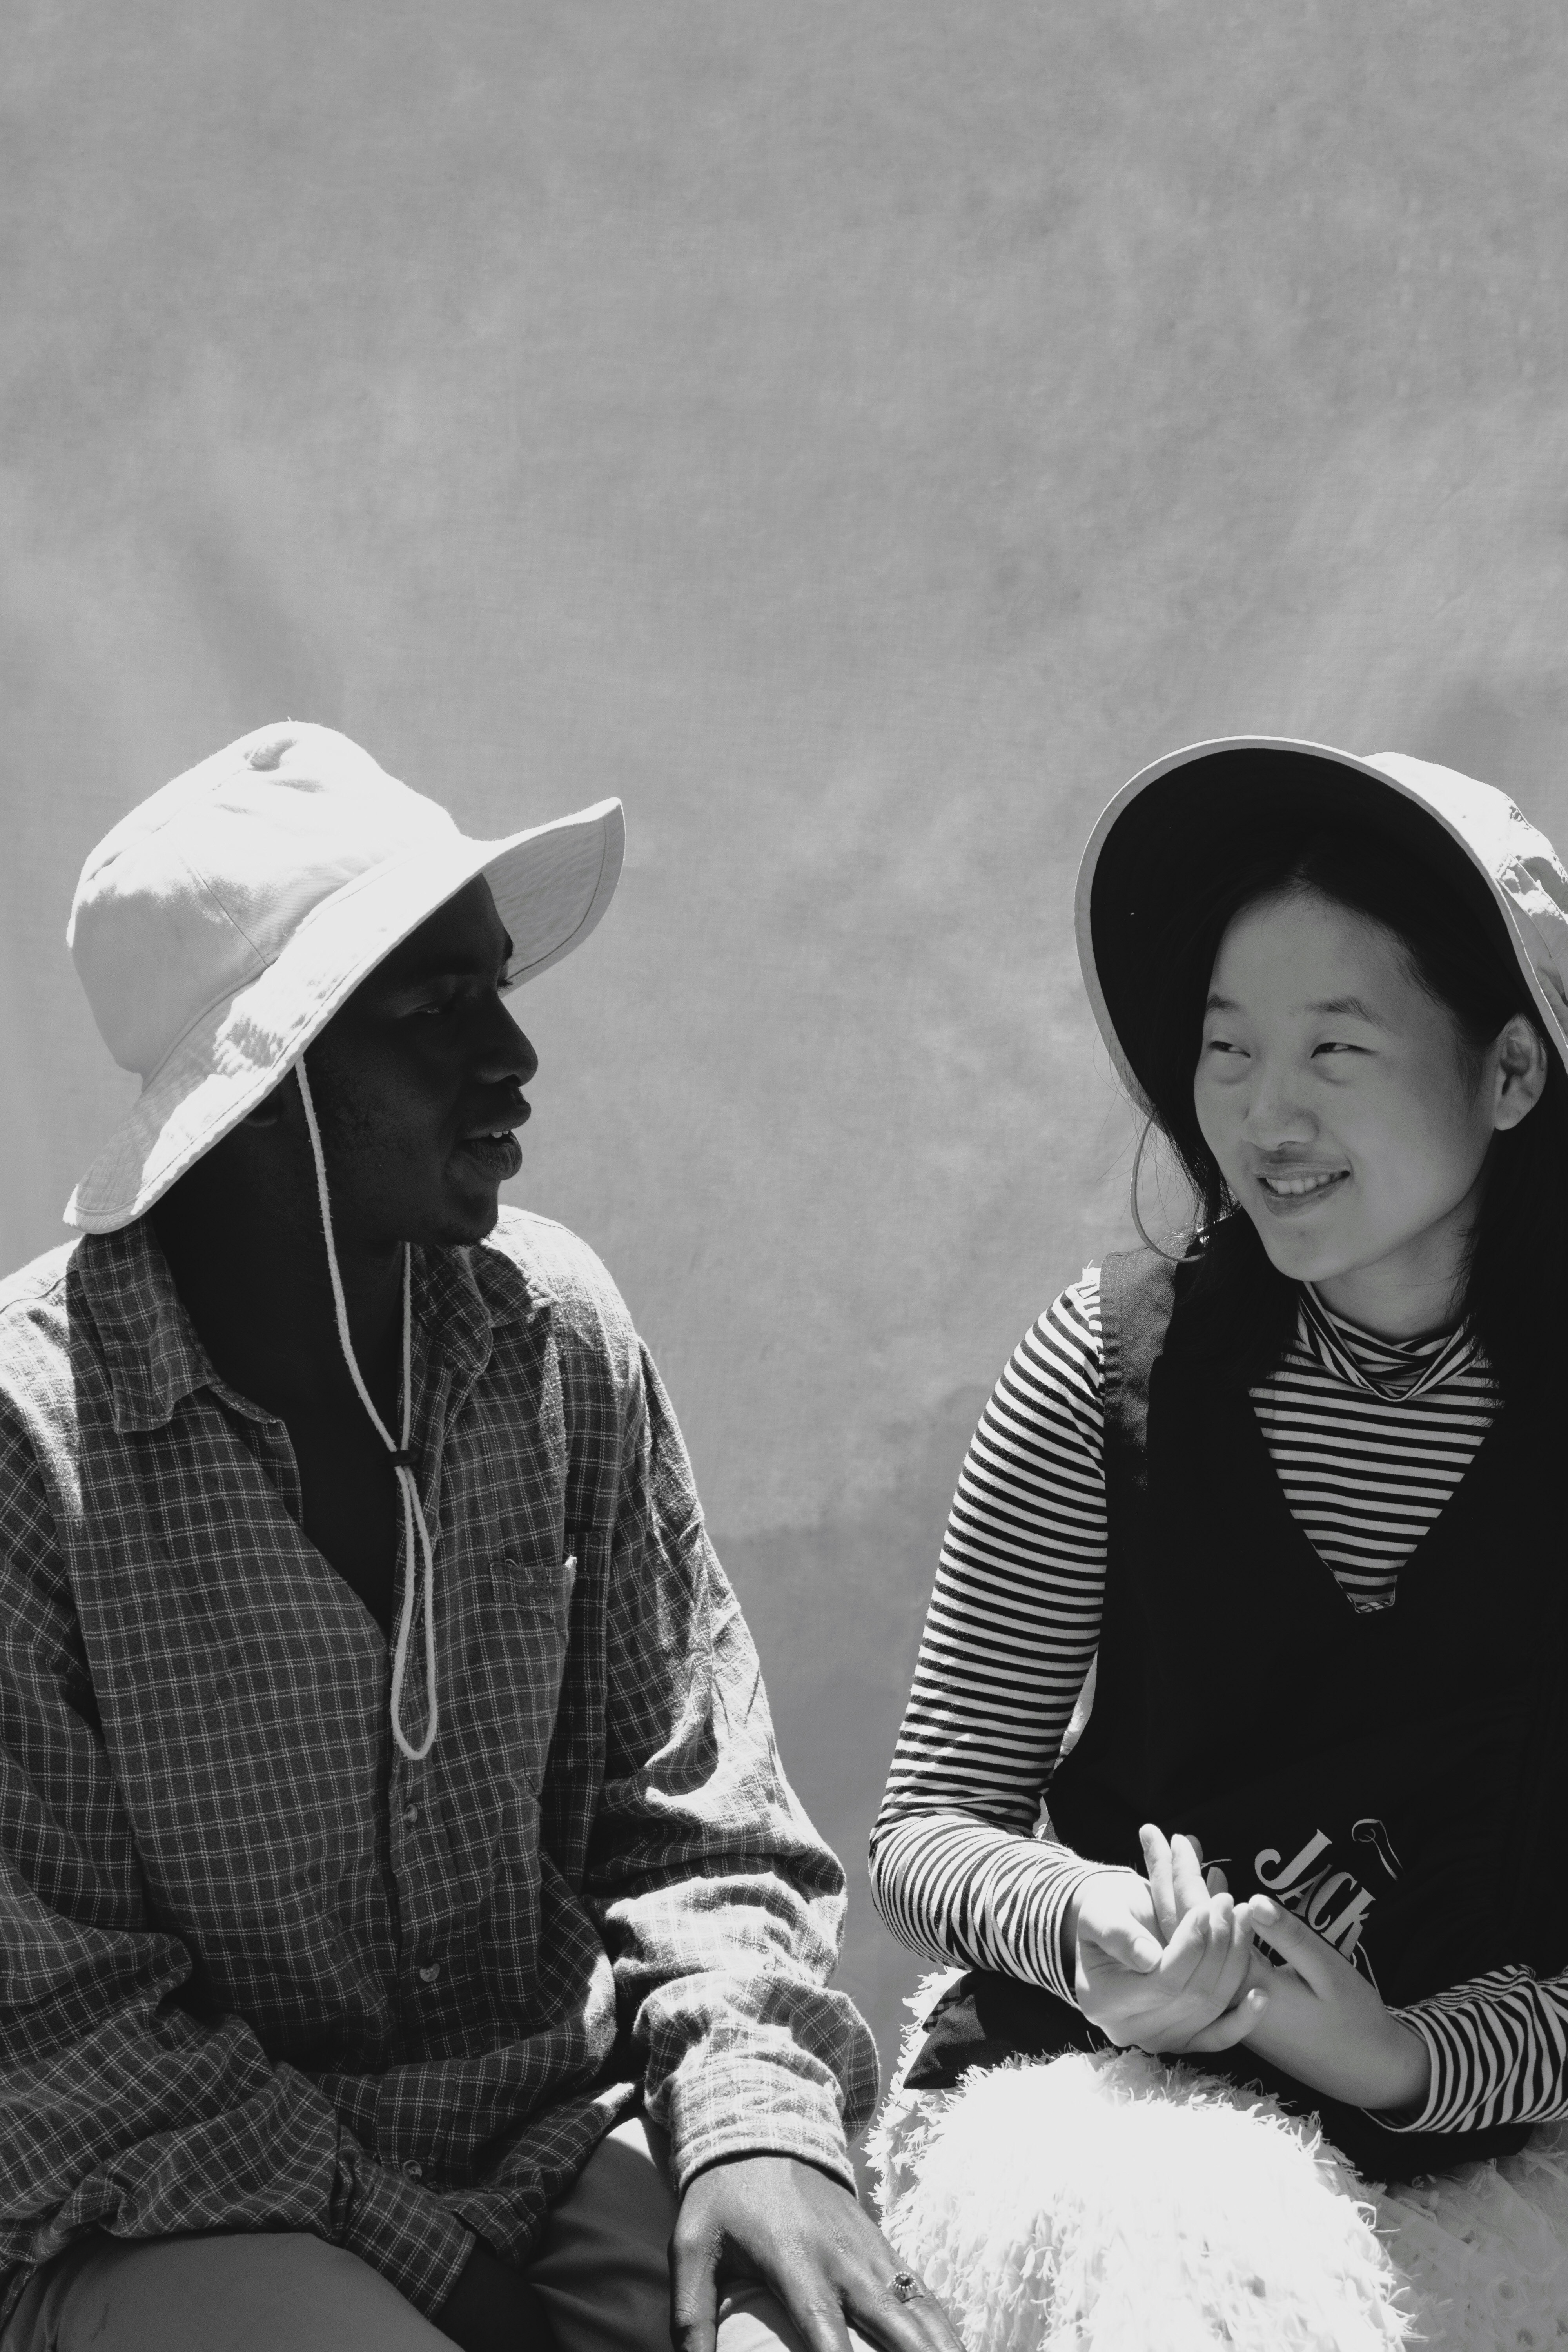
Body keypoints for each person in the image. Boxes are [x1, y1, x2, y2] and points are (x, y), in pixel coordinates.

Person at [0, 723, 962, 2352]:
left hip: (551, 2138)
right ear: (266, 1073)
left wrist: (751, 2123)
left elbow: (695, 1825)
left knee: (817, 2328)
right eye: (439, 1010)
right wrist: (449, 2289)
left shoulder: (554, 1336)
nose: (514, 1058)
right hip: (175, 2205)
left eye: (497, 992)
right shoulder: (33, 1449)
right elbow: (64, 2031)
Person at [871, 740, 1568, 2243]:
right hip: (1108, 2107)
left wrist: (1401, 2055)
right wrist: (1088, 1927)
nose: (1264, 1121)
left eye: (1337, 1049)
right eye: (1229, 1047)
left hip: (1487, 2143)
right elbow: (930, 1822)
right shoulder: (1106, 1360)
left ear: (1511, 1069)